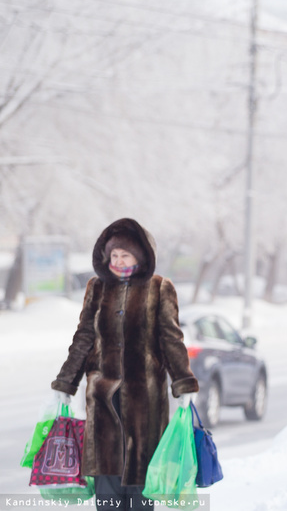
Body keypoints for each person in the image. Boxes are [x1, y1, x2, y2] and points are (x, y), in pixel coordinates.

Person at [51, 218, 199, 510]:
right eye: (113, 254)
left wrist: (183, 383)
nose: (117, 261)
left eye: (125, 254)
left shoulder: (160, 289)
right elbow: (83, 338)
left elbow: (171, 340)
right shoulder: (97, 288)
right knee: (108, 487)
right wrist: (66, 382)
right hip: (103, 399)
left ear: (140, 256)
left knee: (141, 489)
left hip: (145, 400)